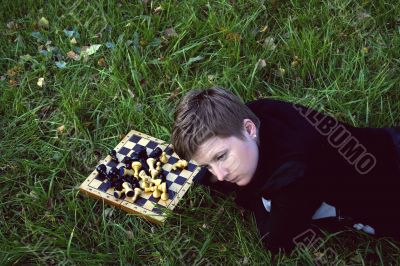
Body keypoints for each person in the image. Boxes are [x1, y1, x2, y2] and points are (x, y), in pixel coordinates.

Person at [171, 87, 400, 253]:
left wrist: (252, 196)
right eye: (208, 165)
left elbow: (276, 241)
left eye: (221, 157)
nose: (220, 175)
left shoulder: (295, 176)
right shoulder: (253, 113)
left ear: (249, 130)